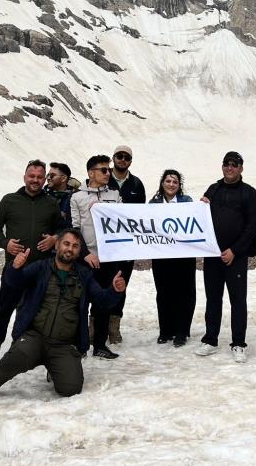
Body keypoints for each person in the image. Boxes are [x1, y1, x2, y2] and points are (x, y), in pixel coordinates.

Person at [0, 228, 126, 402]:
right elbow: (15, 283)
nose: (70, 249)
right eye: (66, 243)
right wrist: (15, 268)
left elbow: (102, 301)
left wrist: (115, 291)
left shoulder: (84, 275)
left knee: (71, 388)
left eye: (75, 246)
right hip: (35, 337)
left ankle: (54, 368)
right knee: (13, 359)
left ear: (79, 251)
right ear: (57, 245)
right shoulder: (41, 268)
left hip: (64, 344)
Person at [0, 159, 62, 367]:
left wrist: (55, 239)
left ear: (44, 178)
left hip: (41, 270)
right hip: (14, 267)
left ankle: (23, 351)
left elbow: (63, 229)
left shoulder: (51, 203)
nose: (35, 180)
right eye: (31, 176)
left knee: (34, 311)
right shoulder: (10, 200)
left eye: (39, 177)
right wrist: (5, 243)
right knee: (4, 309)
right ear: (24, 177)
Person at [195, 151, 256, 363]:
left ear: (241, 168)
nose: (230, 168)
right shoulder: (213, 189)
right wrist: (200, 207)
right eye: (226, 164)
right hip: (213, 256)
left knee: (238, 301)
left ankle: (238, 343)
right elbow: (202, 219)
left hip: (235, 257)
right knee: (213, 299)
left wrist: (237, 250)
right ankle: (210, 339)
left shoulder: (249, 193)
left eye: (234, 164)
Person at [71, 154, 123, 358]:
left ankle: (100, 345)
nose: (108, 173)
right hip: (85, 259)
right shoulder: (77, 197)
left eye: (108, 170)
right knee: (80, 303)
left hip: (108, 258)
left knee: (103, 304)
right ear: (90, 172)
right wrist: (84, 255)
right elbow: (74, 230)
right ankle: (80, 345)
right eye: (103, 170)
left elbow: (123, 223)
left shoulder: (115, 195)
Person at [149, 170, 196, 347]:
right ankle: (165, 331)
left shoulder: (187, 201)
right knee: (163, 293)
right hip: (161, 256)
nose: (171, 184)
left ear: (179, 185)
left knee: (184, 293)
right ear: (162, 183)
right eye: (168, 181)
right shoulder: (153, 203)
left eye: (175, 181)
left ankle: (182, 332)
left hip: (184, 256)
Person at [104, 145, 146, 345]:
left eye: (126, 157)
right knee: (102, 282)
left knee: (121, 283)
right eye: (119, 156)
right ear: (113, 158)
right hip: (104, 244)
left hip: (127, 245)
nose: (122, 159)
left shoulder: (137, 185)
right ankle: (96, 325)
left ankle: (114, 325)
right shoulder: (103, 179)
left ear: (131, 160)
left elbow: (141, 216)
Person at [44, 162, 78, 228]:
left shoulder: (75, 198)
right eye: (47, 175)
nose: (48, 178)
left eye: (52, 175)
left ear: (63, 178)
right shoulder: (42, 195)